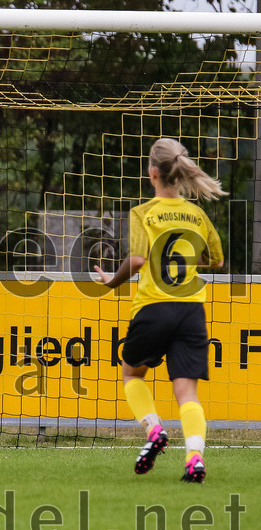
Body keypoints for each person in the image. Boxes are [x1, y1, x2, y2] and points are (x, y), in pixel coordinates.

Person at [93, 138, 225, 483]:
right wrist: (187, 260)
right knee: (187, 392)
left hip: (154, 306)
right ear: (180, 173)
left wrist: (112, 281)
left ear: (152, 173)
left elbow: (137, 260)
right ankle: (194, 458)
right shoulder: (197, 214)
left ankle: (154, 430)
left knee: (132, 373)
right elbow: (216, 260)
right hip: (191, 311)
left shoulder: (143, 213)